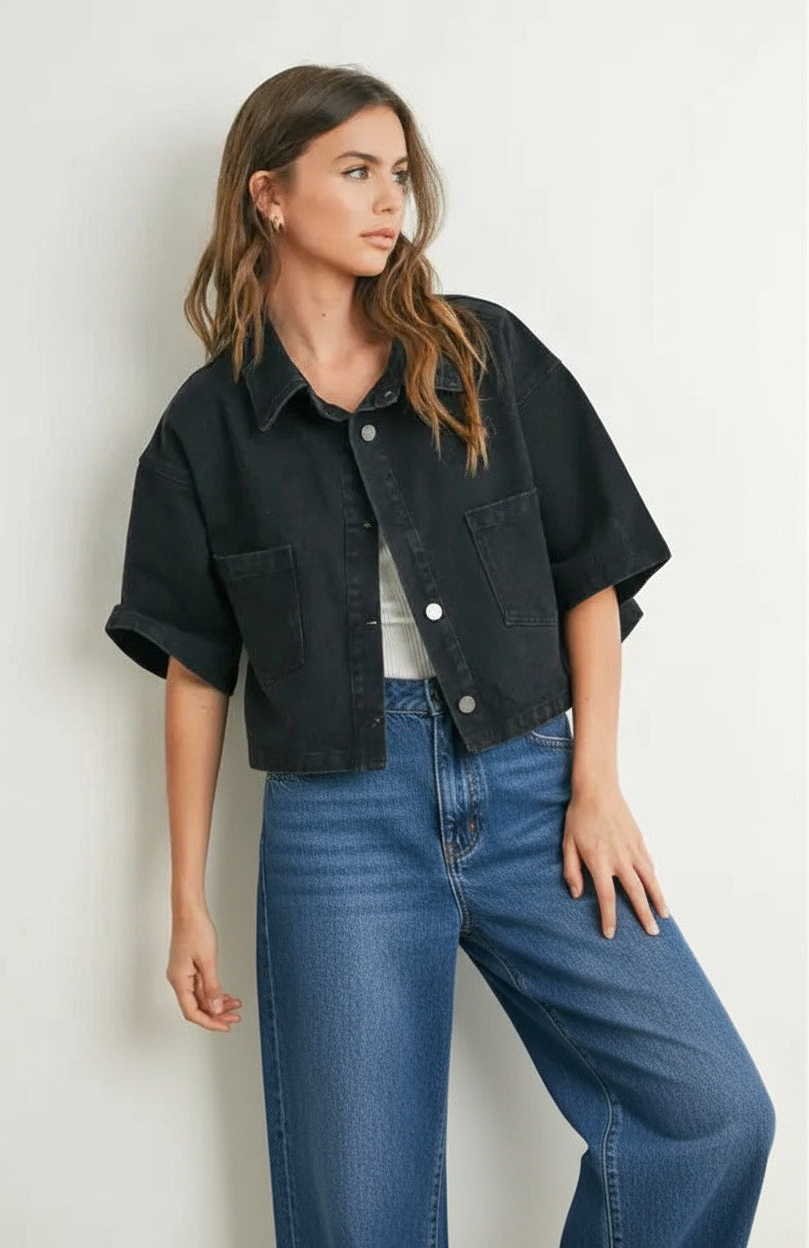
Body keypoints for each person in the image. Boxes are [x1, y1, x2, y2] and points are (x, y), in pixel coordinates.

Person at [104, 63, 776, 1248]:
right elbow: (195, 673)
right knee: (359, 1221)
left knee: (711, 1115)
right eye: (355, 172)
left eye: (399, 175)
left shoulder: (483, 356)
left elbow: (591, 572)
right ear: (268, 194)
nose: (389, 203)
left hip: (530, 788)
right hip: (337, 830)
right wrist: (184, 901)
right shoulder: (207, 429)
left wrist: (595, 783)